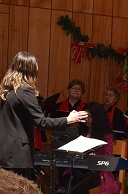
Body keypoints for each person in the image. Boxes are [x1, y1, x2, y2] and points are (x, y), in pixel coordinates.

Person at [0, 52, 87, 180]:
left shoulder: (6, 91)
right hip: (18, 155)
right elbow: (42, 122)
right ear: (30, 69)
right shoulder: (25, 90)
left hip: (5, 152)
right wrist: (68, 119)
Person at [61, 102, 120, 194]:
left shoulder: (106, 135)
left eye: (90, 117)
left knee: (77, 185)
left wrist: (95, 157)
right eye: (86, 116)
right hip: (80, 169)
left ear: (97, 118)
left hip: (97, 172)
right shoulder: (79, 131)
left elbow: (108, 156)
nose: (87, 119)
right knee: (71, 177)